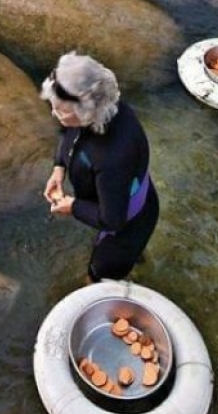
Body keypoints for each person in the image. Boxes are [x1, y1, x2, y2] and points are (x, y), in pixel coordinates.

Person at [41, 52, 159, 284]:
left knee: (99, 274)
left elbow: (112, 220)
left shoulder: (111, 156)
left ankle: (126, 266)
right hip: (126, 197)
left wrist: (72, 206)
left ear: (86, 111)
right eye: (53, 106)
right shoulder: (99, 111)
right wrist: (59, 167)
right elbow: (69, 133)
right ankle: (135, 258)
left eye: (61, 110)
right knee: (131, 254)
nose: (55, 114)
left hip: (127, 221)